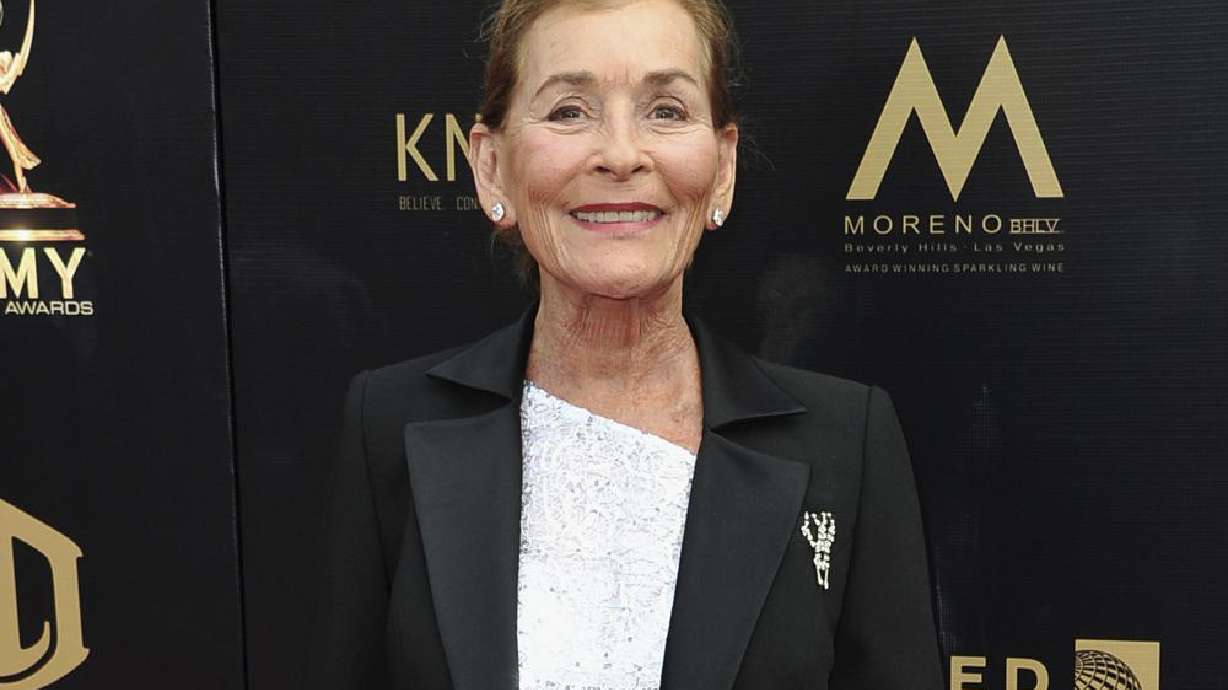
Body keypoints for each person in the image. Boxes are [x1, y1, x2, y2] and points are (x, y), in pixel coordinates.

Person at [307, 0, 944, 687]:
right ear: (492, 168)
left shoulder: (846, 442)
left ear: (723, 167)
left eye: (665, 110)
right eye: (569, 112)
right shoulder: (392, 426)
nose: (619, 155)